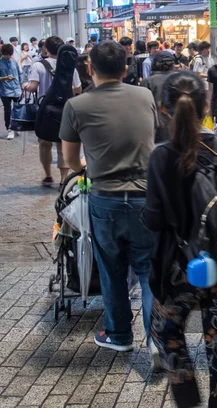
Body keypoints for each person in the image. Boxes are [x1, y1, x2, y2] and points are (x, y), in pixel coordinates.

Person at [143, 71, 217, 408]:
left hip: (178, 267)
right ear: (206, 105)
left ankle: (187, 399)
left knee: (166, 331)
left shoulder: (161, 156)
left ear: (163, 109)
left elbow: (155, 218)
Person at [59, 41, 159, 364]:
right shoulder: (145, 96)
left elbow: (71, 160)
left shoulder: (77, 106)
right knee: (148, 271)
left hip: (105, 199)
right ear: (126, 69)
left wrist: (86, 167)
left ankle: (118, 336)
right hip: (146, 196)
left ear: (89, 68)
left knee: (112, 269)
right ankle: (158, 340)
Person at [24, 36, 82, 187]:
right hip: (65, 110)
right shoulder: (70, 67)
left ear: (46, 49)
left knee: (44, 143)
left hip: (45, 110)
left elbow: (33, 87)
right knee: (62, 144)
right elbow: (78, 89)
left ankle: (48, 175)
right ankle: (63, 179)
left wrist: (25, 85)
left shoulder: (38, 65)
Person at [141, 51, 175, 143]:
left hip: (154, 127)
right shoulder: (178, 79)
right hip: (177, 126)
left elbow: (143, 107)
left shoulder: (148, 81)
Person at [0, 43, 21, 140]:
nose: (8, 56)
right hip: (4, 91)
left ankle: (16, 127)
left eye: (9, 54)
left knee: (17, 109)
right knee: (8, 111)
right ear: (2, 53)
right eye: (6, 54)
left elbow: (19, 76)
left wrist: (22, 88)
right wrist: (5, 78)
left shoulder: (14, 62)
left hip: (16, 89)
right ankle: (9, 129)